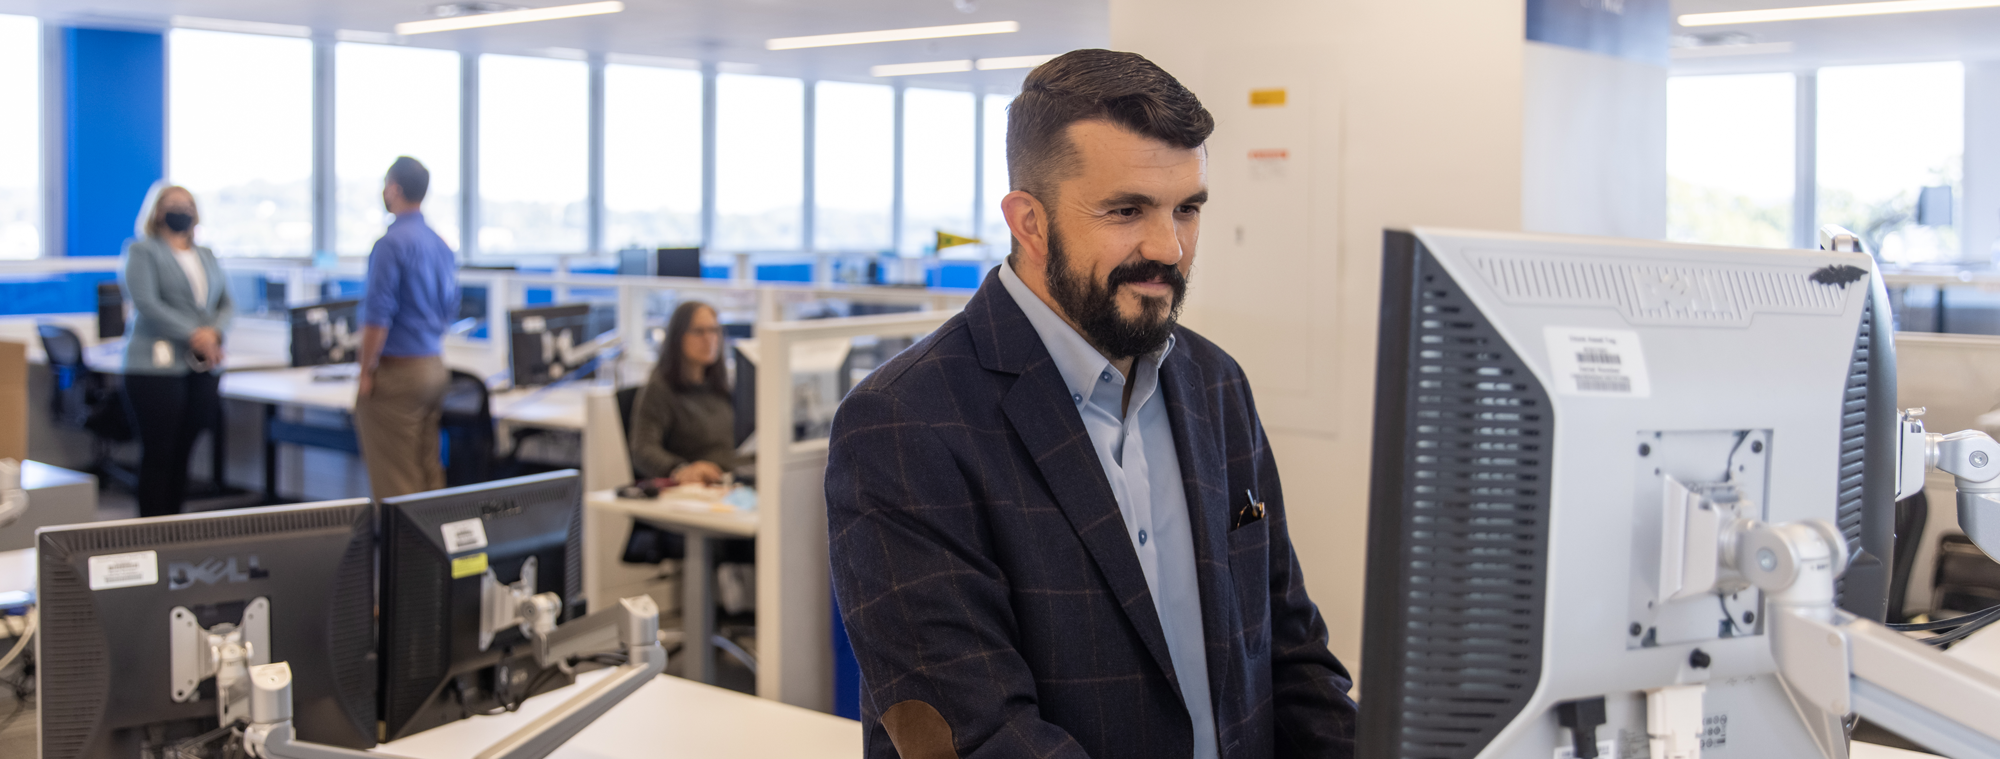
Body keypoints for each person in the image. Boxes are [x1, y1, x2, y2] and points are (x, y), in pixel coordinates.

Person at [825, 50, 1358, 758]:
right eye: (1126, 210)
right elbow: (981, 737)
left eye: (1187, 209)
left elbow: (1288, 656)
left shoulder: (1215, 383)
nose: (1168, 247)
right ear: (1030, 222)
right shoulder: (904, 422)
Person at [121, 181, 233, 518]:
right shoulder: (143, 252)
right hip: (153, 367)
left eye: (187, 205)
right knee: (159, 453)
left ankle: (174, 527)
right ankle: (151, 529)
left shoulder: (206, 255)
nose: (180, 210)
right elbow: (147, 303)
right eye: (172, 203)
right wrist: (195, 334)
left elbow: (227, 303)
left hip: (200, 367)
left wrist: (212, 332)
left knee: (185, 452)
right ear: (157, 212)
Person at [355, 156, 459, 500]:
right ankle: (434, 553)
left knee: (396, 482)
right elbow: (450, 308)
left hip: (399, 373)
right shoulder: (439, 243)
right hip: (434, 367)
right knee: (428, 472)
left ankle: (401, 554)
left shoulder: (390, 244)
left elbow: (378, 318)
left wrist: (366, 371)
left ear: (395, 189)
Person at [630, 300, 744, 484]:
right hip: (692, 491)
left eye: (714, 330)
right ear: (677, 337)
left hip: (727, 482)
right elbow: (642, 450)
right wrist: (681, 469)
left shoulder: (719, 385)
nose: (709, 339)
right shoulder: (661, 388)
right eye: (699, 332)